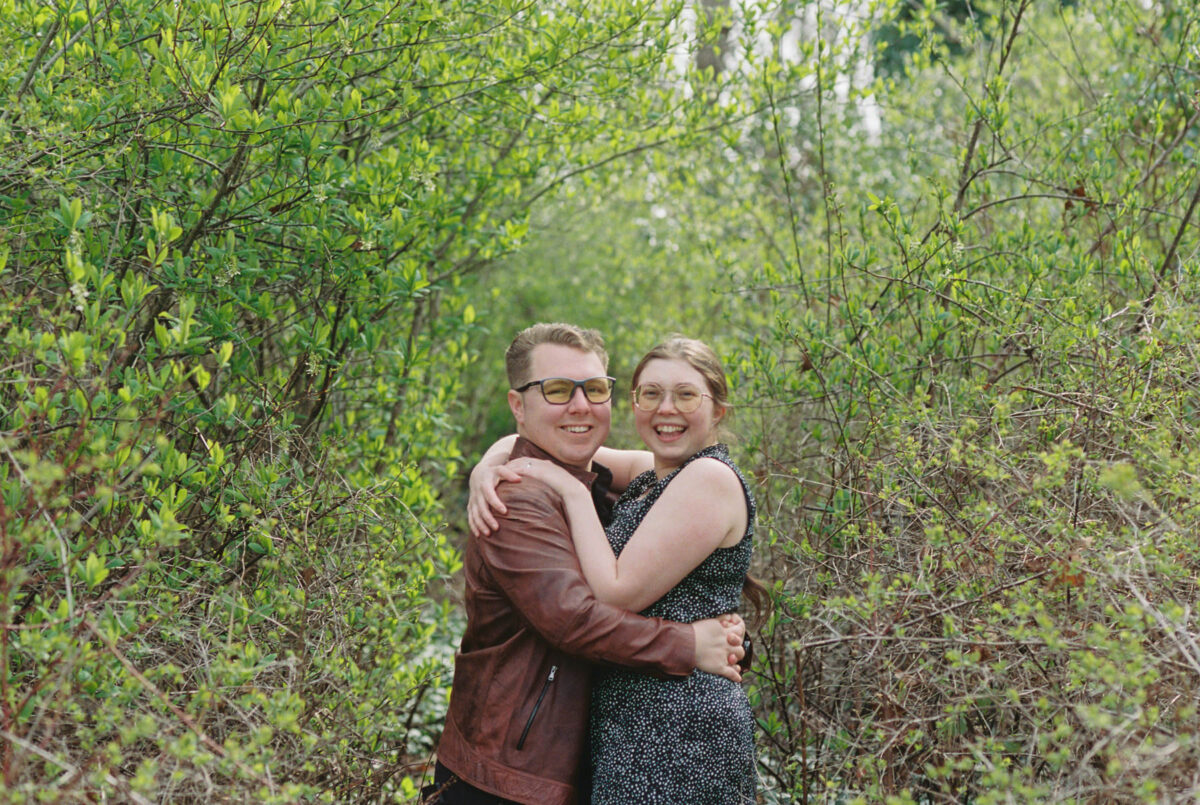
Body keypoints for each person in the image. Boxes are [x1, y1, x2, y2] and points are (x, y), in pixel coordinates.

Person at [426, 324, 746, 805]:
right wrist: (687, 644)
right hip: (510, 773)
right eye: (556, 390)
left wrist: (723, 640)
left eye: (594, 390)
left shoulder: (604, 481)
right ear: (519, 406)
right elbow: (574, 619)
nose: (580, 406)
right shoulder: (520, 500)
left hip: (640, 741)